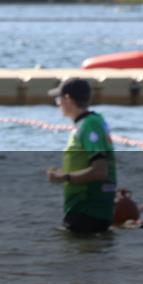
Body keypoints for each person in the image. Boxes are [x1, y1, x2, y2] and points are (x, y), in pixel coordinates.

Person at [46, 78, 117, 234]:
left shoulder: (89, 125)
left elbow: (100, 171)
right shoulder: (91, 122)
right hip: (88, 209)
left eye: (58, 99)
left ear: (68, 99)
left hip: (87, 210)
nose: (58, 104)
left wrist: (64, 177)